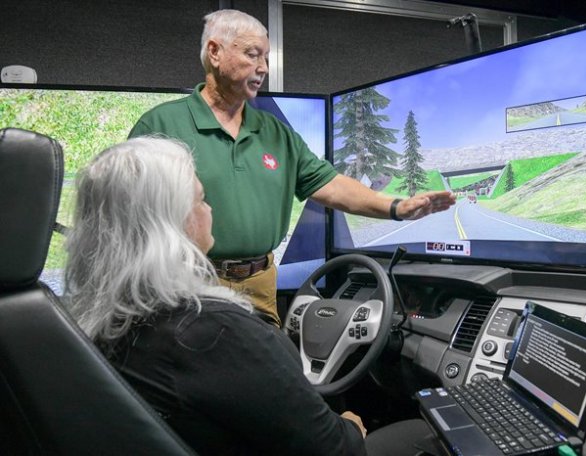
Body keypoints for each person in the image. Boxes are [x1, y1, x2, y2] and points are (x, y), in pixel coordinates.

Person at [128, 9, 456, 327]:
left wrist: (397, 207)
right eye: (253, 55)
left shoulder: (276, 132)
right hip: (187, 283)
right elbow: (128, 217)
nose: (263, 68)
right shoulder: (160, 125)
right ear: (214, 52)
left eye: (266, 58)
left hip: (259, 285)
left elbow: (330, 185)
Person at [64, 137, 374, 455]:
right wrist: (351, 427)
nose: (210, 209)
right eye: (201, 199)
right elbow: (333, 449)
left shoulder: (98, 320)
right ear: (171, 226)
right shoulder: (214, 332)